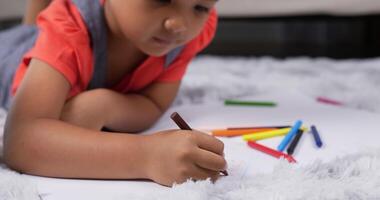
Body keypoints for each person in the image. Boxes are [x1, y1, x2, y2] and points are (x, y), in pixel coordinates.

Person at [0, 0, 227, 187]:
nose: (179, 24)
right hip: (12, 51)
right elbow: (20, 141)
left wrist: (107, 104)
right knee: (31, 34)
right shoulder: (69, 28)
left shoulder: (186, 35)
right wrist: (146, 155)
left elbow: (154, 102)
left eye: (200, 7)